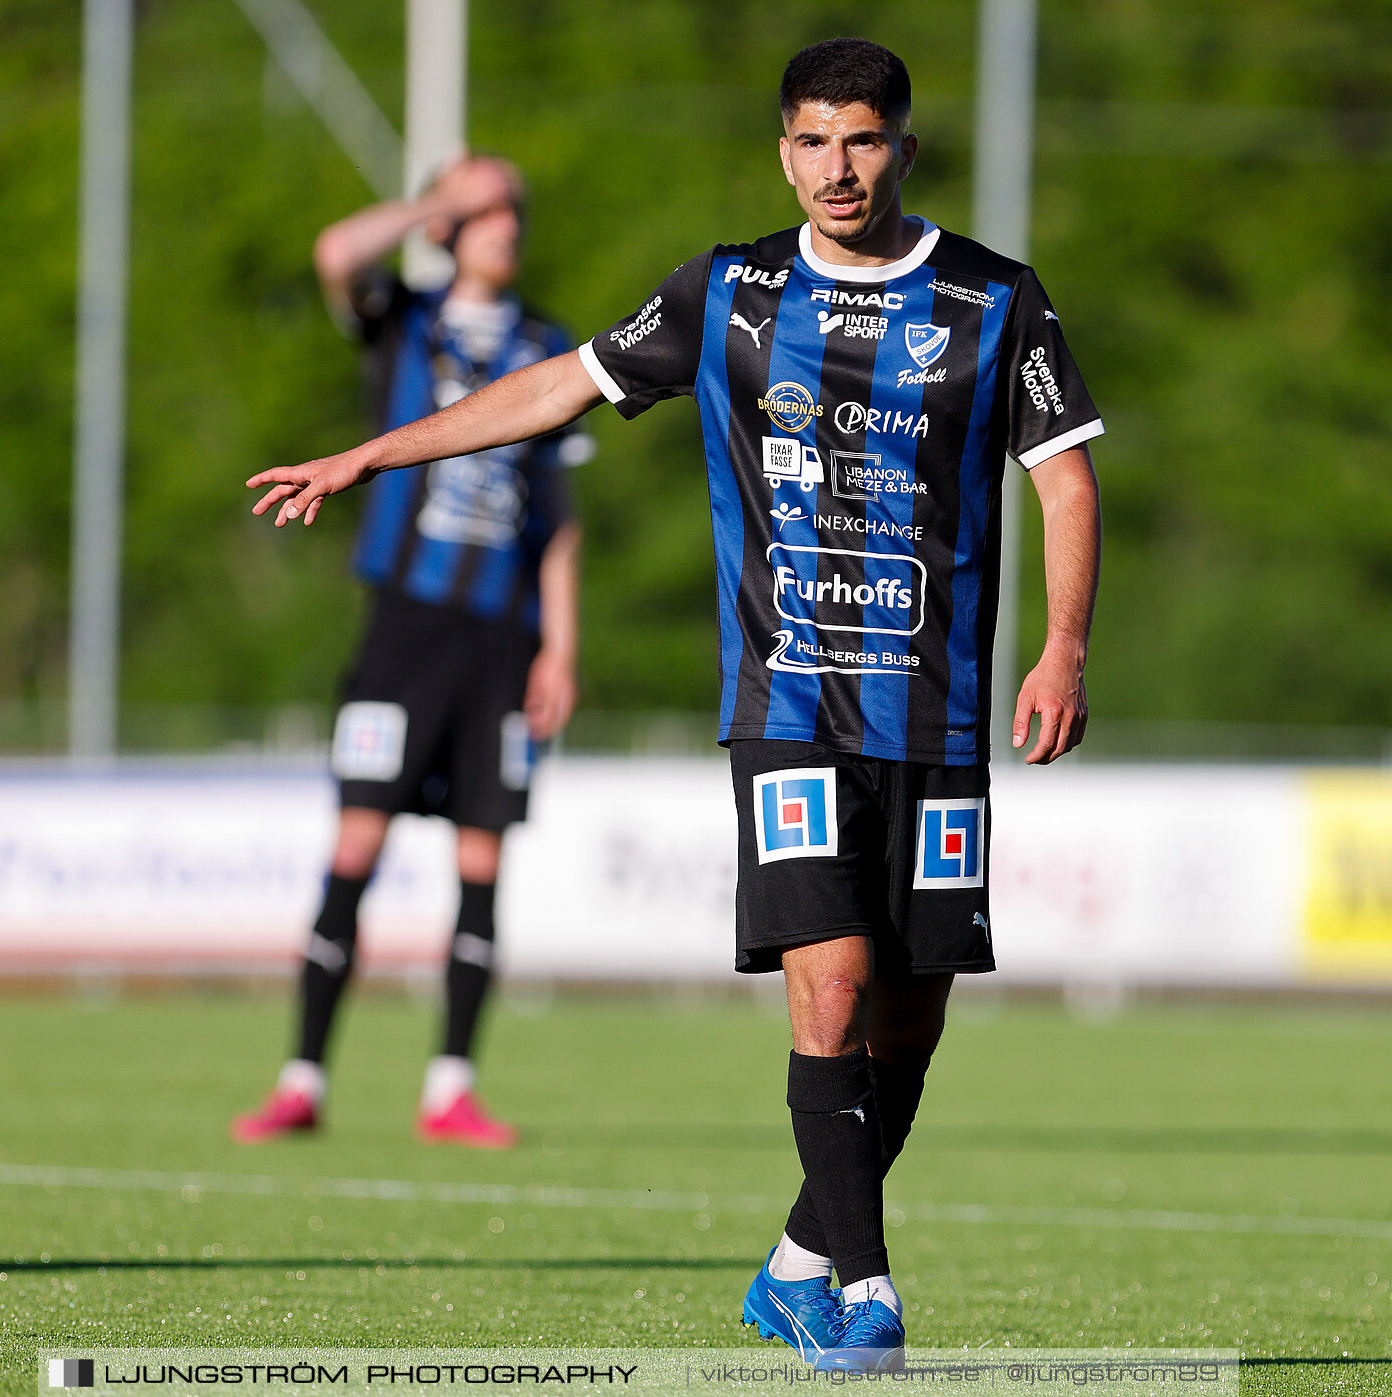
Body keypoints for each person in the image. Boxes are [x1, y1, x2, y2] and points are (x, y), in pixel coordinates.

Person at [245, 39, 1103, 1368]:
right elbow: (553, 389)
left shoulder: (996, 299)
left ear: (904, 150)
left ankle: (802, 1257)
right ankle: (866, 1294)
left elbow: (1062, 478)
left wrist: (1062, 649)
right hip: (788, 705)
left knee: (912, 1012)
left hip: (937, 716)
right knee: (830, 984)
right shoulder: (733, 291)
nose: (837, 167)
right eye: (813, 142)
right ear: (783, 151)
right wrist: (373, 453)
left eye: (863, 141)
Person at [231, 155, 588, 1150]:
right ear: (447, 223)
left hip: (502, 641)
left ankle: (451, 1085)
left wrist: (560, 643)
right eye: (487, 206)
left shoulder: (548, 344)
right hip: (405, 630)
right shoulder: (402, 317)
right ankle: (302, 1076)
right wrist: (442, 197)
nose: (506, 220)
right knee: (356, 844)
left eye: (516, 204)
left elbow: (558, 516)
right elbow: (335, 250)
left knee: (483, 858)